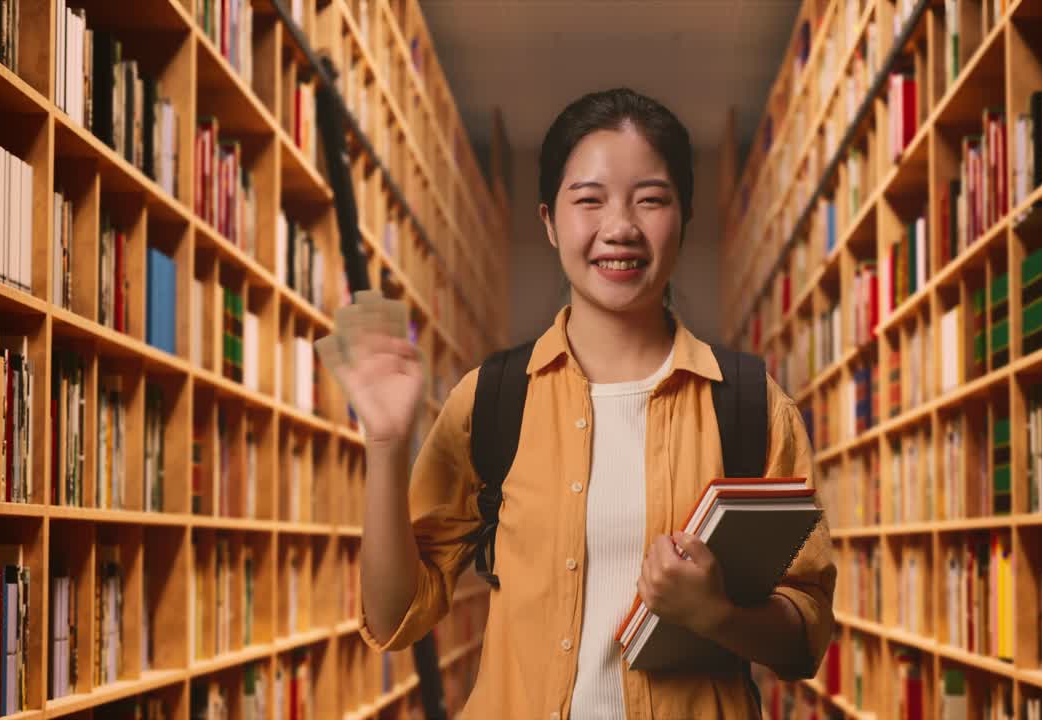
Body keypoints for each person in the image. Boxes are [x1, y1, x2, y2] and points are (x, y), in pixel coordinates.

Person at [329, 87, 836, 719]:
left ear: (684, 217)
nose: (619, 227)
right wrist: (385, 445)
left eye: (650, 199)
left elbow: (807, 634)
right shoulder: (491, 399)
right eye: (588, 200)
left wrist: (720, 616)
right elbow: (394, 617)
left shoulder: (750, 405)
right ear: (548, 221)